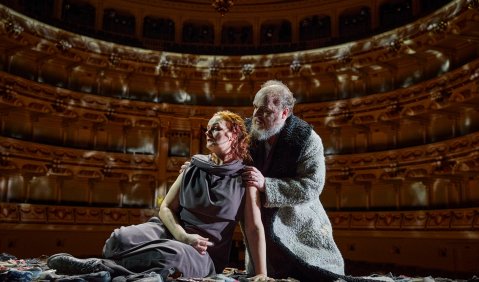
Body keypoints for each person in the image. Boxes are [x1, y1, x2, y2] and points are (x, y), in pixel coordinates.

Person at [47, 111, 267, 281]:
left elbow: (253, 227)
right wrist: (182, 235)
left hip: (203, 251)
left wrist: (262, 273)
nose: (207, 133)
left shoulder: (246, 178)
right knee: (118, 239)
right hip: (172, 230)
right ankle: (119, 270)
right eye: (207, 129)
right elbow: (166, 208)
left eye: (215, 128)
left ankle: (99, 267)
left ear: (234, 134)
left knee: (167, 255)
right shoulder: (193, 166)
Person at [241, 80, 345, 281]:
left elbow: (312, 186)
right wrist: (199, 166)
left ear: (284, 113)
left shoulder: (308, 139)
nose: (256, 116)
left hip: (301, 223)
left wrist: (266, 185)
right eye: (254, 108)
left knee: (313, 273)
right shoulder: (245, 132)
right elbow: (224, 155)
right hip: (260, 228)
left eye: (265, 111)